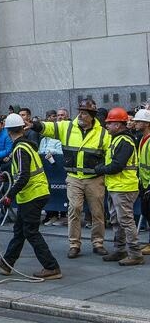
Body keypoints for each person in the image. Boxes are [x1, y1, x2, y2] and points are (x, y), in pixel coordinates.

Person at [31, 98, 110, 258]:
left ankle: (98, 243)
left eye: (84, 113)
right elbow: (48, 127)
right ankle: (74, 244)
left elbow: (108, 155)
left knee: (97, 212)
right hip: (74, 178)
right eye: (80, 111)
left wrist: (103, 171)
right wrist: (35, 124)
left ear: (92, 115)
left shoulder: (103, 133)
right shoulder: (66, 127)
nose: (80, 115)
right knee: (74, 209)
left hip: (94, 179)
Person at [0, 113, 62, 279]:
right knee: (20, 230)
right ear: (22, 129)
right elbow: (22, 170)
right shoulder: (27, 145)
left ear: (8, 131)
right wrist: (7, 173)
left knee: (30, 232)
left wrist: (9, 195)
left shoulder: (20, 148)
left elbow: (23, 175)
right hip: (35, 193)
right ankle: (7, 262)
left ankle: (51, 267)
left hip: (33, 194)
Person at [92, 108, 143, 265]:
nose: (106, 126)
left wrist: (99, 169)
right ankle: (120, 250)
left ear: (119, 125)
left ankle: (135, 254)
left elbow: (117, 166)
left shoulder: (124, 141)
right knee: (117, 220)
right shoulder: (117, 139)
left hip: (124, 187)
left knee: (125, 221)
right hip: (117, 186)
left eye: (110, 123)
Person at [38, 114, 65, 226]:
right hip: (46, 170)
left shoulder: (58, 138)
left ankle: (61, 216)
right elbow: (40, 151)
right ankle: (50, 214)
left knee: (59, 192)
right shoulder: (43, 139)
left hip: (57, 170)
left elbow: (61, 152)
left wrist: (52, 152)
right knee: (48, 192)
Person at [134, 108, 150, 255]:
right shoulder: (142, 139)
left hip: (149, 185)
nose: (136, 123)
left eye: (139, 121)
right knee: (146, 212)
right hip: (145, 184)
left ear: (147, 123)